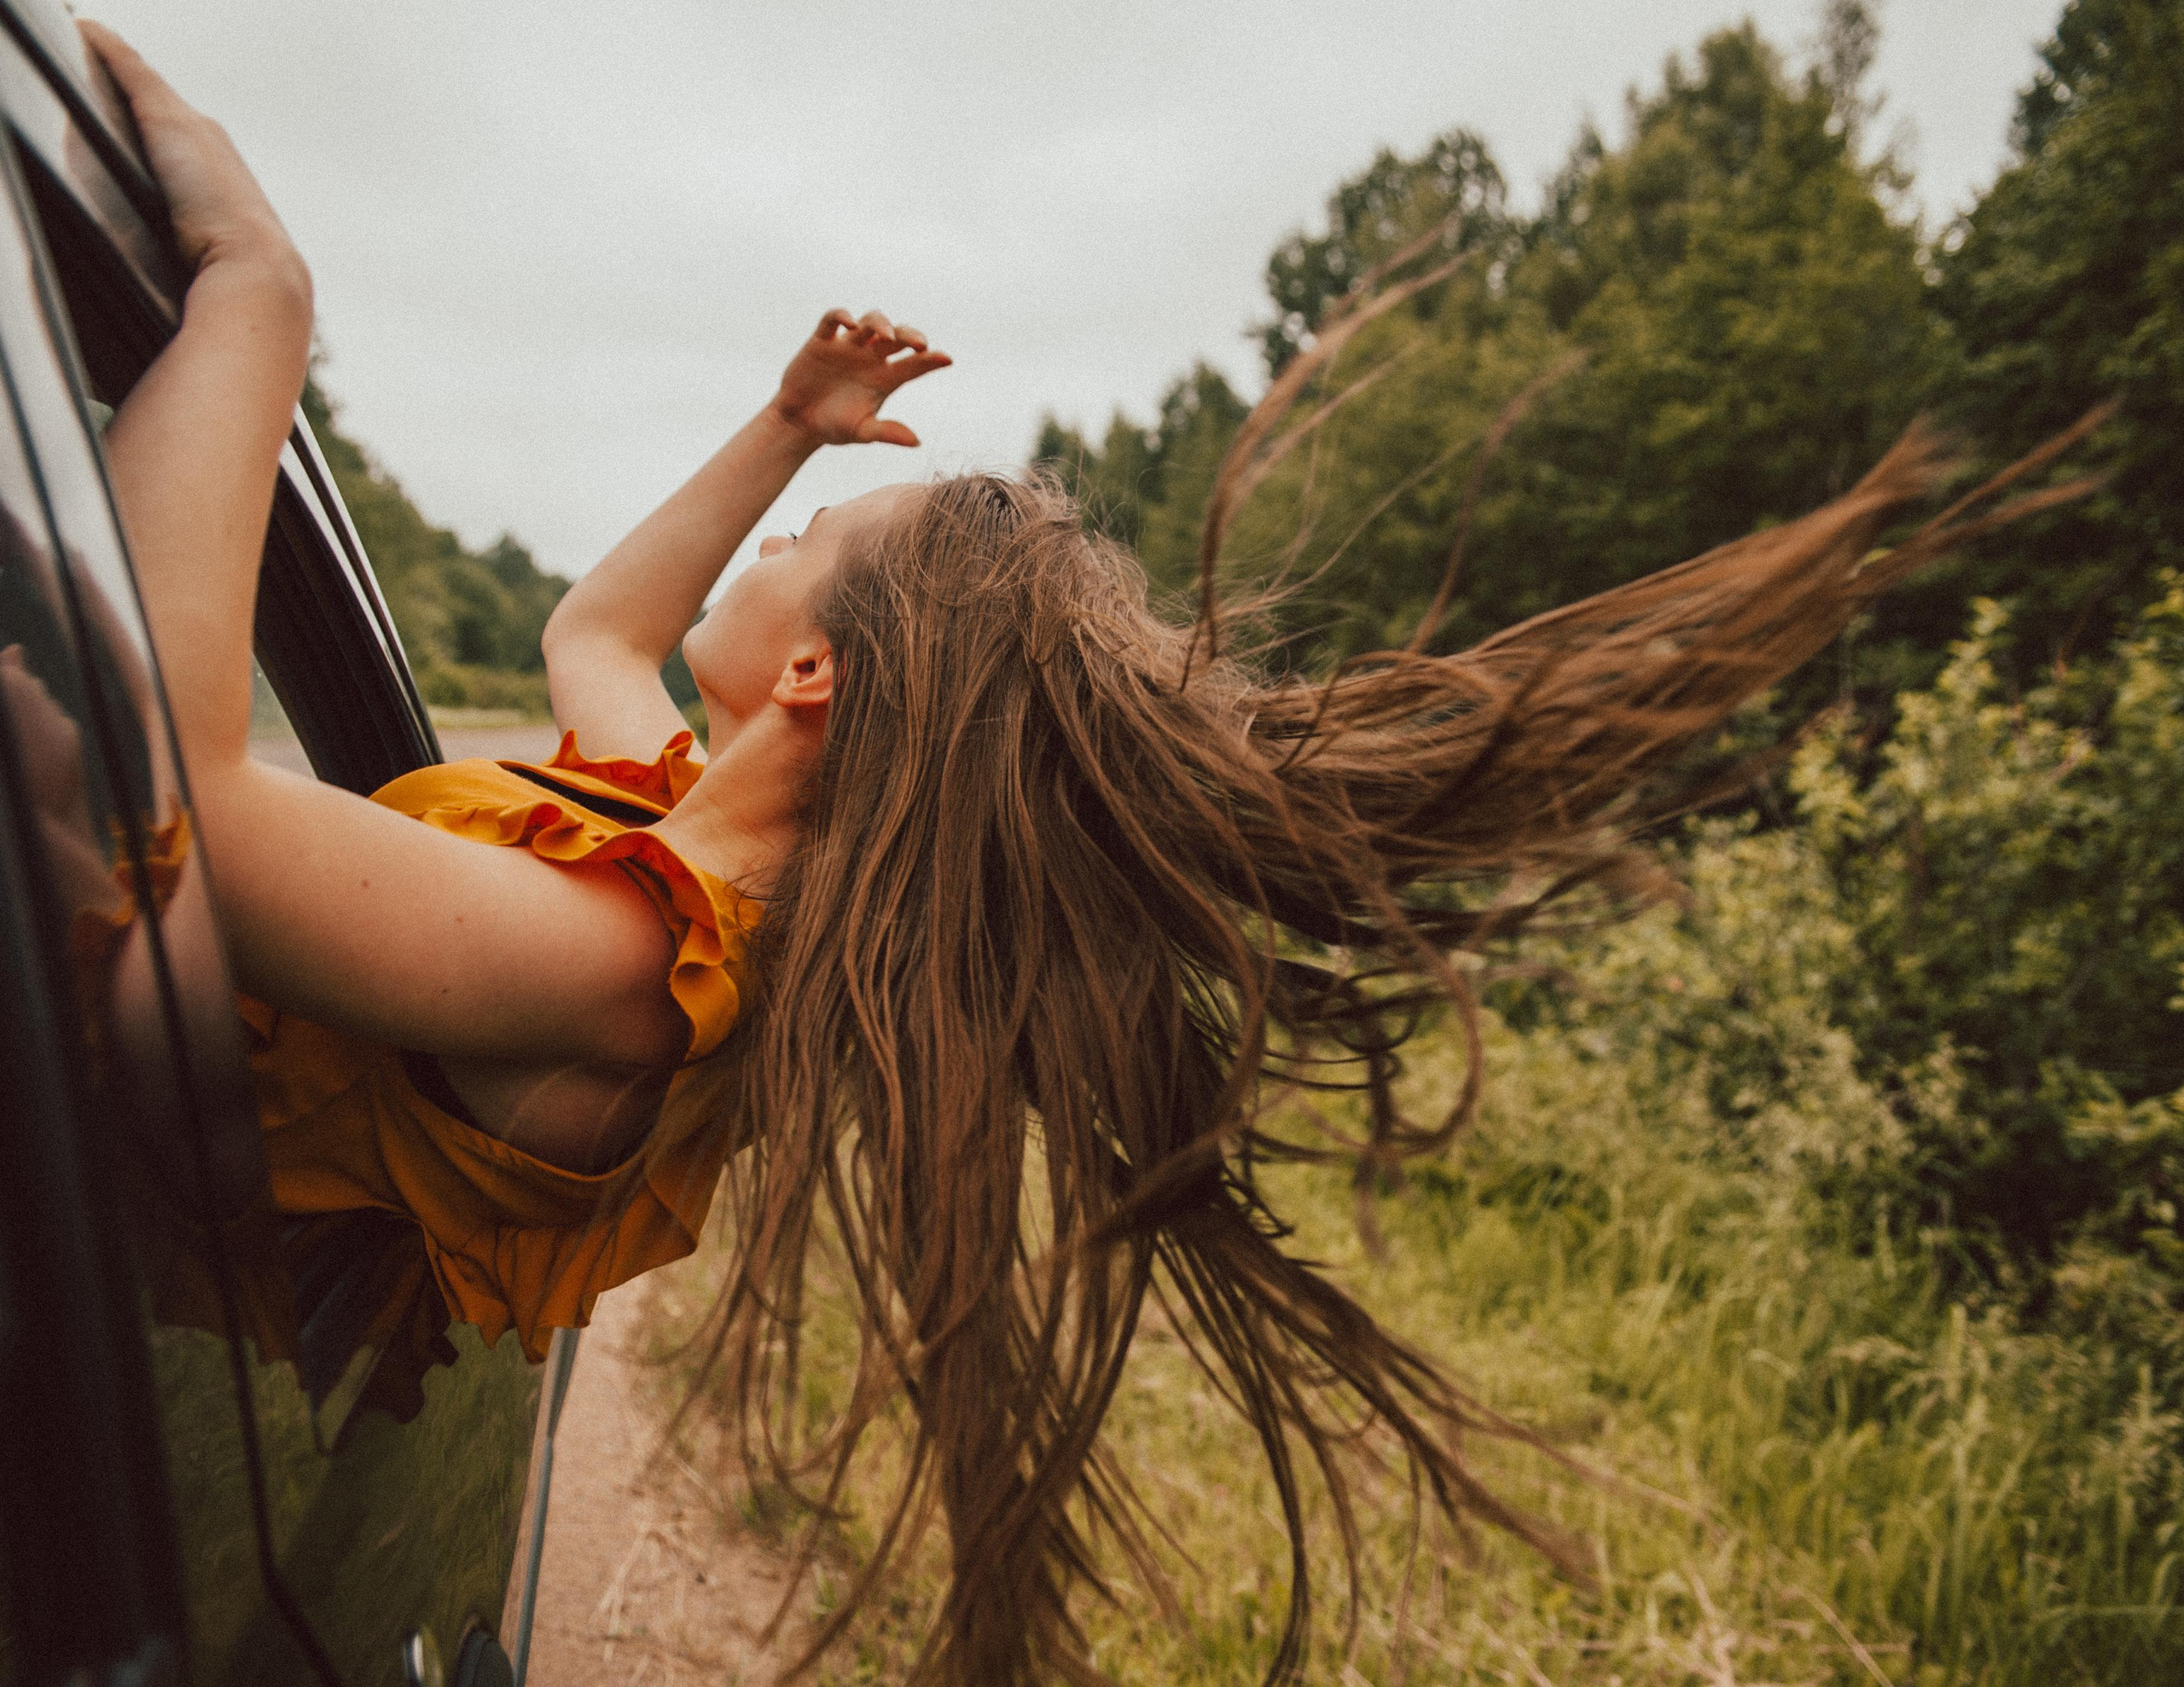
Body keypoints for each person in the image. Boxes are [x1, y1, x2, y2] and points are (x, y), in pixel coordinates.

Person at [80, 21, 2098, 1687]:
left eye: (799, 553)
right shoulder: (647, 833)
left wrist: (263, 297)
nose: (773, 538)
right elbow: (592, 635)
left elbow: (181, 781)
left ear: (809, 676)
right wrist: (785, 434)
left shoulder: (614, 965)